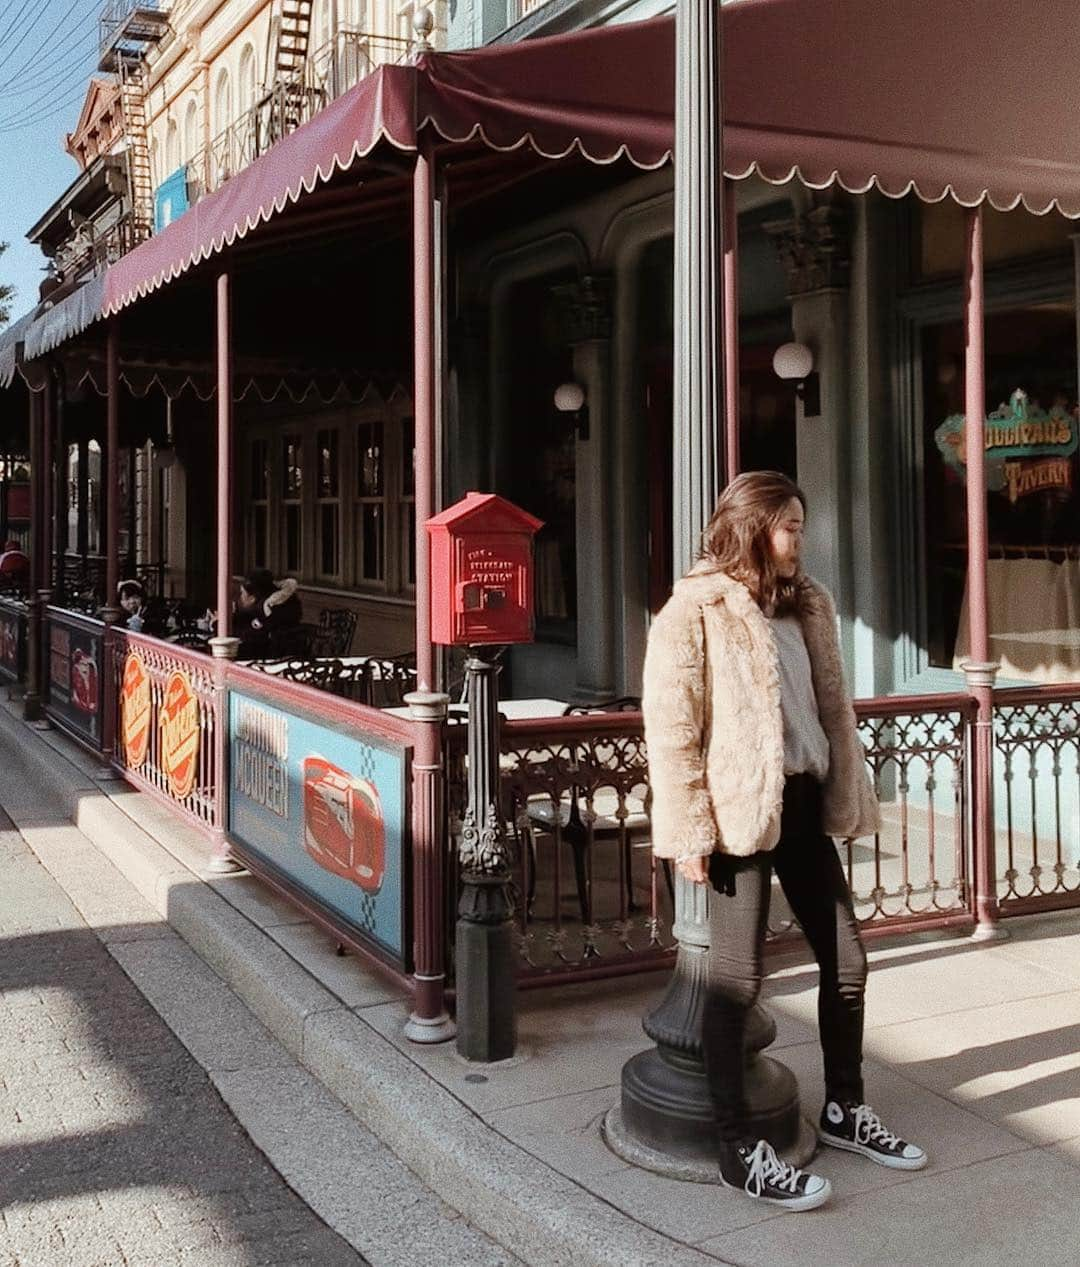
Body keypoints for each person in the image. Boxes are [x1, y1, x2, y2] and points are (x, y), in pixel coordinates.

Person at [642, 470, 926, 1213]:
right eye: (789, 526)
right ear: (751, 527)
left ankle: (844, 1107)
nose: (800, 539)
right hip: (736, 816)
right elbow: (671, 733)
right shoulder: (693, 609)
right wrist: (689, 833)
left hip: (800, 803)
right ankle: (738, 1147)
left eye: (802, 525)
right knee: (734, 983)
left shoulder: (808, 604)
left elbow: (826, 706)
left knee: (849, 959)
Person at [234, 568, 302, 658]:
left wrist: (217, 624)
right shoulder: (264, 607)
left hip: (270, 662)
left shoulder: (270, 612)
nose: (240, 597)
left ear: (252, 598)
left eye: (242, 593)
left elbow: (250, 638)